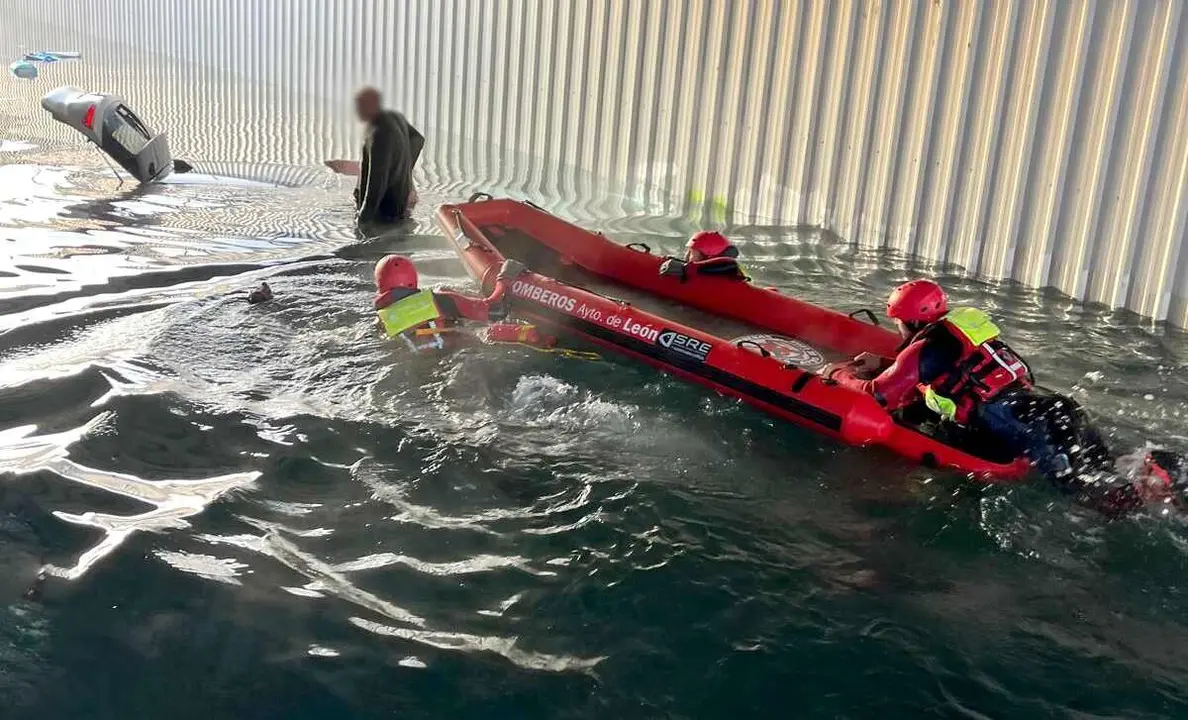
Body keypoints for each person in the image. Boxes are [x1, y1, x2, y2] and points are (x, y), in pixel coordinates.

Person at [822, 279, 1184, 515]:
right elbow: (952, 372)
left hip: (1027, 425)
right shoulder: (961, 330)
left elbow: (880, 396)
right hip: (1054, 407)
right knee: (1104, 466)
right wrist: (884, 361)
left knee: (1096, 497)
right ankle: (1160, 471)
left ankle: (1147, 499)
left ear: (908, 320)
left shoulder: (925, 348)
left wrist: (839, 375)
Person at [373, 255, 551, 352]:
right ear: (414, 279)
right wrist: (505, 278)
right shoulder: (440, 300)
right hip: (460, 353)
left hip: (421, 367)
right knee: (494, 332)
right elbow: (495, 311)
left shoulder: (383, 320)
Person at [326, 87, 424, 225]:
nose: (357, 111)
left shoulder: (377, 135)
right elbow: (418, 139)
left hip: (384, 214)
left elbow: (375, 187)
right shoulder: (395, 117)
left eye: (359, 106)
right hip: (400, 201)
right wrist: (403, 172)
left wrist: (362, 222)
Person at [659, 231, 749, 281]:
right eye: (689, 251)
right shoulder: (702, 268)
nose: (687, 255)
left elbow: (729, 267)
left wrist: (685, 269)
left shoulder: (726, 269)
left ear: (708, 258)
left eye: (692, 253)